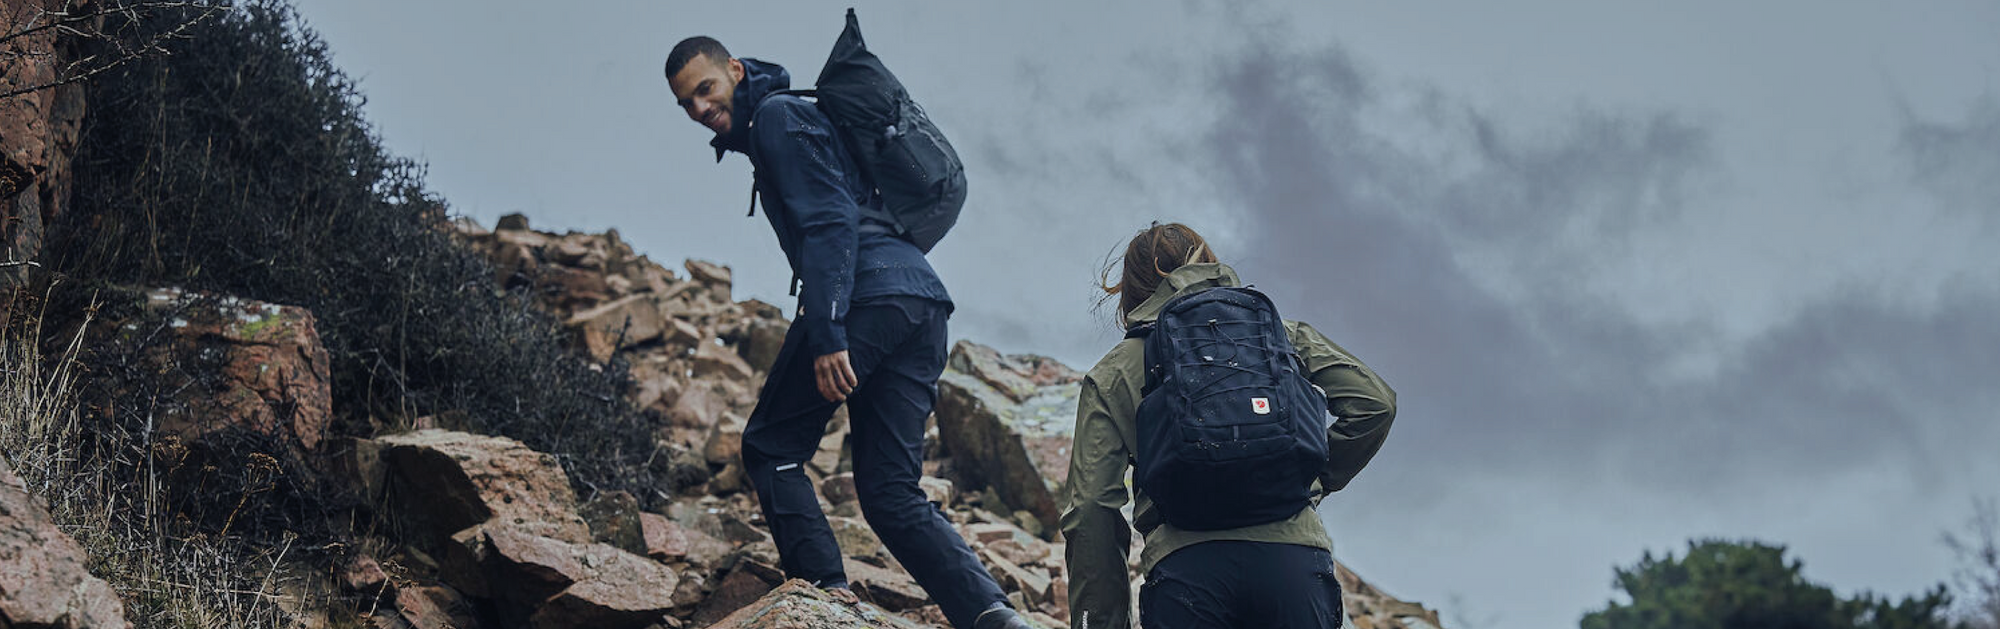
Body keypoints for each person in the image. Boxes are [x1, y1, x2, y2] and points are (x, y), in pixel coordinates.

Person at [663, 37, 1032, 629]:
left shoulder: (779, 117)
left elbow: (829, 220)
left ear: (734, 70)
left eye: (705, 89)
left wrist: (829, 329)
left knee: (771, 446)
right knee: (889, 491)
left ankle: (824, 599)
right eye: (686, 104)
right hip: (920, 303)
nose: (700, 109)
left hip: (865, 298)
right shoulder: (787, 121)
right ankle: (992, 615)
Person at [1061, 223, 1399, 629]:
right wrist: (1310, 480)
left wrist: (1099, 623)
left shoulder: (1116, 371)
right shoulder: (1278, 335)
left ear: (1131, 292)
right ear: (1209, 265)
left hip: (1188, 576)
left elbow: (1091, 507)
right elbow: (1374, 405)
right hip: (1293, 569)